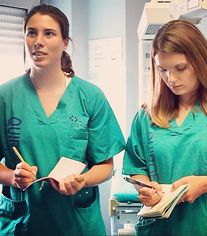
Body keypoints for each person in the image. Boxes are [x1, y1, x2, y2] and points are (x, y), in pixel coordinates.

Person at [0, 4, 126, 236]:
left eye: (49, 33)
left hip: (76, 223)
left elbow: (106, 167)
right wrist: (12, 177)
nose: (38, 41)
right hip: (24, 223)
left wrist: (83, 180)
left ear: (65, 41)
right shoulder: (5, 96)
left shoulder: (90, 97)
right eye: (31, 32)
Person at [122, 19, 207, 236]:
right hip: (161, 228)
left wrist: (205, 184)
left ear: (201, 61)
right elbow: (137, 168)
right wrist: (146, 189)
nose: (171, 79)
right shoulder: (147, 115)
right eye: (162, 69)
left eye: (180, 68)